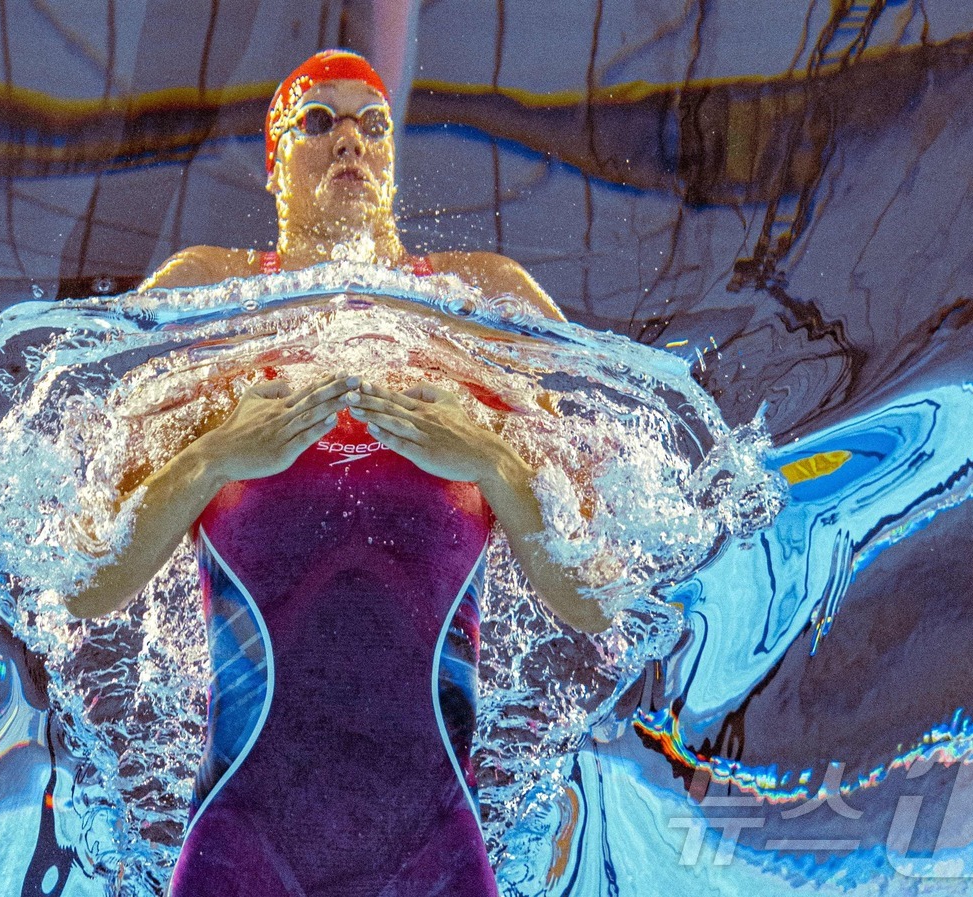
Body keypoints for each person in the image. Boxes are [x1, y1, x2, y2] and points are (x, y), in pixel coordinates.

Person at [68, 50, 612, 897]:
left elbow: (592, 595)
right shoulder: (209, 293)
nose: (350, 140)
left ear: (393, 161)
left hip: (439, 844)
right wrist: (216, 453)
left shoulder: (482, 299)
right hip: (240, 840)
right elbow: (85, 583)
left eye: (373, 123)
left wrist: (490, 458)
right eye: (319, 121)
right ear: (275, 160)